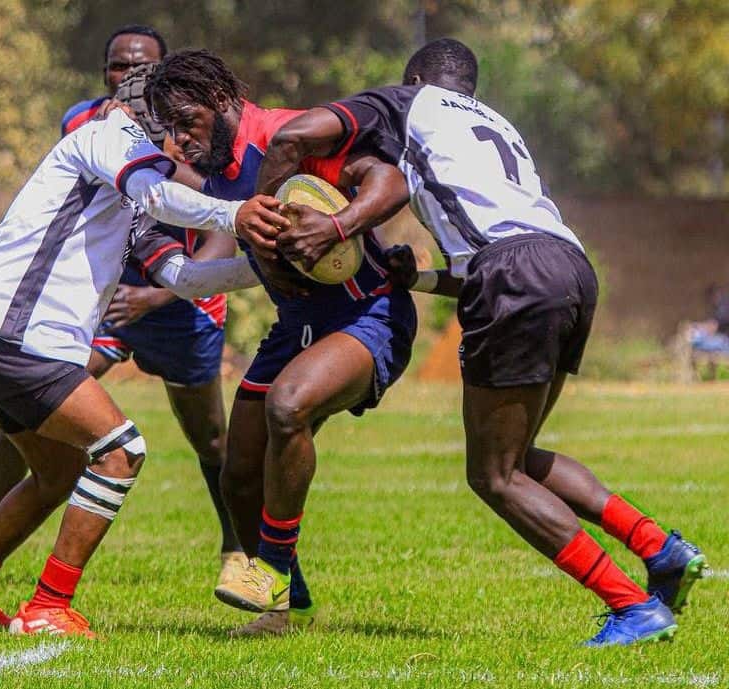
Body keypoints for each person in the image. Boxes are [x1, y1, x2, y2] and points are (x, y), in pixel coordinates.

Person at [252, 38, 707, 646]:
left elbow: (295, 136)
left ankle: (631, 605)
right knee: (519, 457)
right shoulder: (498, 126)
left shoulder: (406, 100)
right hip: (568, 266)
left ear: (414, 78)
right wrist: (422, 279)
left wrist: (273, 222)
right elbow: (499, 249)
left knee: (494, 475)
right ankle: (660, 547)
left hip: (514, 275)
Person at [0, 101, 288, 637]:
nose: (187, 148)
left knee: (58, 472)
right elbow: (162, 194)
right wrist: (235, 214)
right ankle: (49, 606)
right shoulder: (109, 137)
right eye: (181, 131)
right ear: (150, 121)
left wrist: (266, 263)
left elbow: (184, 278)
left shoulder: (133, 194)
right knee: (121, 452)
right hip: (14, 333)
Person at [149, 49, 418, 636]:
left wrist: (339, 224)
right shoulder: (219, 171)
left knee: (288, 405)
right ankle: (282, 608)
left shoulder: (285, 136)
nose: (179, 140)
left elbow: (390, 180)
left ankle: (268, 571)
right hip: (296, 323)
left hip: (368, 312)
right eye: (168, 129)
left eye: (186, 121)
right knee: (238, 474)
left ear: (221, 101)